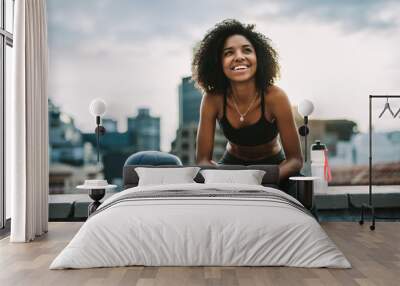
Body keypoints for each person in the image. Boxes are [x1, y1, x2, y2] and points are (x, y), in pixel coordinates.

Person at [192, 19, 303, 196]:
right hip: (231, 166)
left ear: (258, 57)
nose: (239, 57)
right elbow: (203, 160)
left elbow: (295, 160)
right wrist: (226, 178)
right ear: (218, 62)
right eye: (229, 52)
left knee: (301, 193)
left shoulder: (276, 97)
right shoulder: (212, 99)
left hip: (274, 166)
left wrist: (264, 179)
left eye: (247, 50)